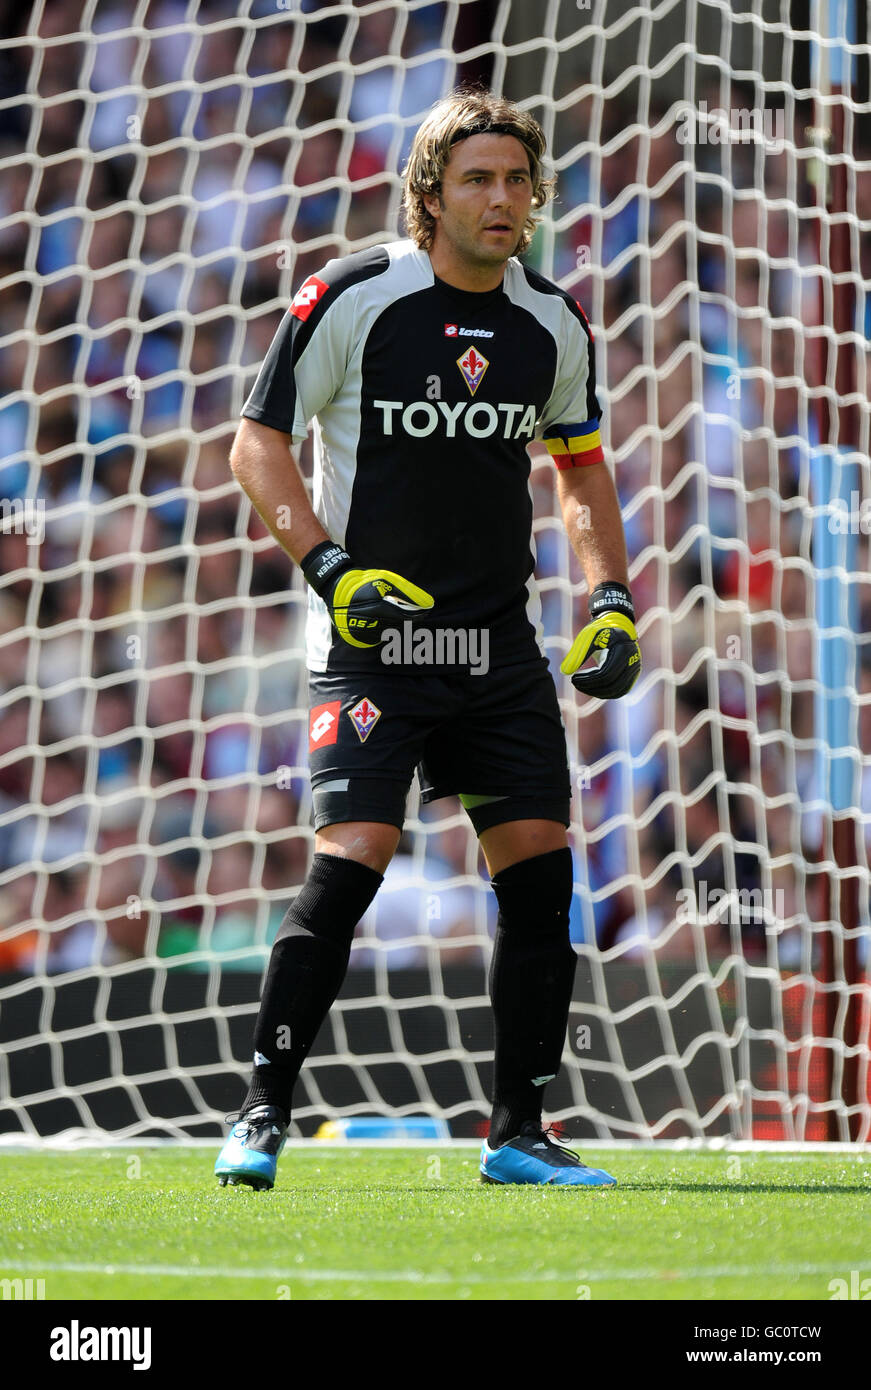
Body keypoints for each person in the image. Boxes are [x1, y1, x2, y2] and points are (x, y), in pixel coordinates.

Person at [215, 88, 641, 1191]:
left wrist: (609, 598)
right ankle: (261, 1111)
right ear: (429, 194)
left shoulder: (553, 318)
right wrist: (329, 568)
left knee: (540, 870)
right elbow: (256, 446)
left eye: (518, 182)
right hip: (373, 640)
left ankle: (517, 1130)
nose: (504, 201)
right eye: (478, 181)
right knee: (353, 855)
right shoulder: (355, 297)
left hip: (496, 644)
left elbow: (580, 465)